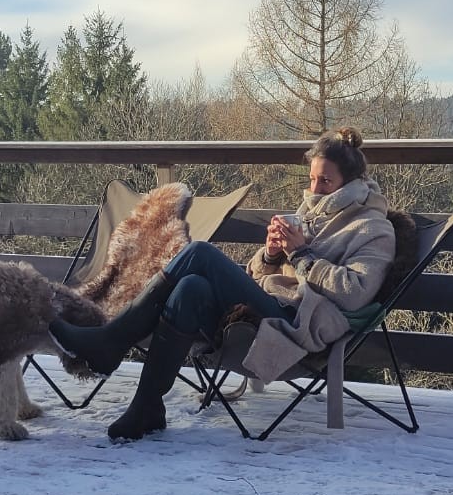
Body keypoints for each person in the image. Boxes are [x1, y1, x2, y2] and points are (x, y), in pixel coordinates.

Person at [50, 127, 397, 442]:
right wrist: (274, 254)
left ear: (350, 183)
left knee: (199, 253)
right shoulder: (311, 213)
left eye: (325, 182)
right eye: (311, 180)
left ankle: (112, 340)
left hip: (300, 322)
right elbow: (259, 274)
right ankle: (148, 407)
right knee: (191, 289)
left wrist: (301, 255)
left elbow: (354, 294)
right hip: (270, 303)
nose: (315, 189)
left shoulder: (372, 229)